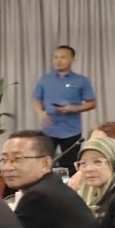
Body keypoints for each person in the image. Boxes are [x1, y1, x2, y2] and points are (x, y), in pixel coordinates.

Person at [33, 44, 96, 172]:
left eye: (63, 57)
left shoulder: (81, 81)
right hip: (49, 129)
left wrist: (74, 108)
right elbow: (36, 99)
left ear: (72, 60)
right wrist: (40, 113)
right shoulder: (45, 79)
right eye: (55, 57)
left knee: (71, 166)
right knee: (44, 164)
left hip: (71, 130)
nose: (58, 60)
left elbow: (92, 103)